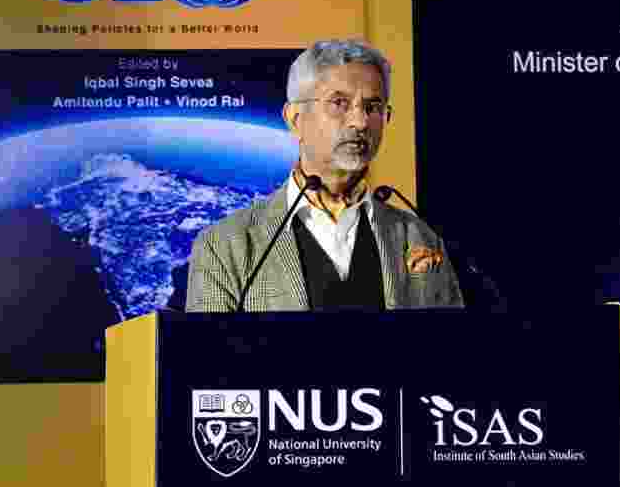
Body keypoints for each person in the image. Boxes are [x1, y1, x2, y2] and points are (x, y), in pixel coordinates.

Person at [186, 38, 464, 312]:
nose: (360, 121)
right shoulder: (224, 245)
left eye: (373, 107)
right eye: (339, 103)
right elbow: (206, 356)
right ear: (296, 119)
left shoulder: (420, 236)